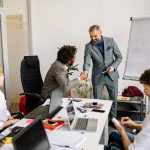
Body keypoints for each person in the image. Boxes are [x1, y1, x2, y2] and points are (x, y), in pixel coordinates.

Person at [83, 25, 122, 119]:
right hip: (97, 77)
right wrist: (85, 71)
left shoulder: (110, 41)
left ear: (100, 33)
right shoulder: (88, 47)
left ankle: (113, 119)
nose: (93, 38)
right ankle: (99, 119)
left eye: (95, 36)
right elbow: (87, 61)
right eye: (91, 36)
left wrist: (113, 66)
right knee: (97, 101)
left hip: (112, 75)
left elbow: (119, 57)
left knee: (113, 99)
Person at [107, 69, 150, 150]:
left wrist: (121, 130)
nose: (144, 91)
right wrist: (133, 125)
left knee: (111, 147)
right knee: (113, 133)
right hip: (142, 141)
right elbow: (146, 128)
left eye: (146, 87)